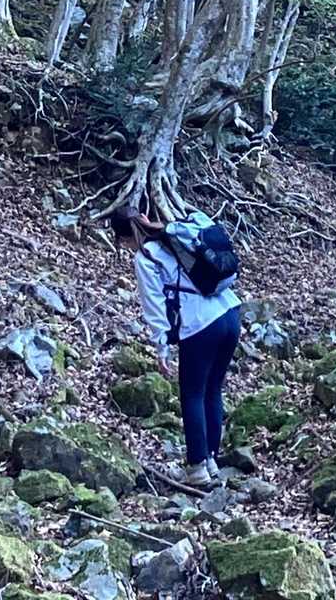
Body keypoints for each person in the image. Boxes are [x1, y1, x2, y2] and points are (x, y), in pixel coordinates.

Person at [109, 207, 241, 487]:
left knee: (192, 394)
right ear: (144, 219)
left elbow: (154, 305)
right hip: (230, 313)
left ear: (123, 239)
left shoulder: (146, 257)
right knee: (212, 389)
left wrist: (161, 346)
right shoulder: (179, 235)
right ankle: (211, 460)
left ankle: (197, 468)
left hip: (201, 325)